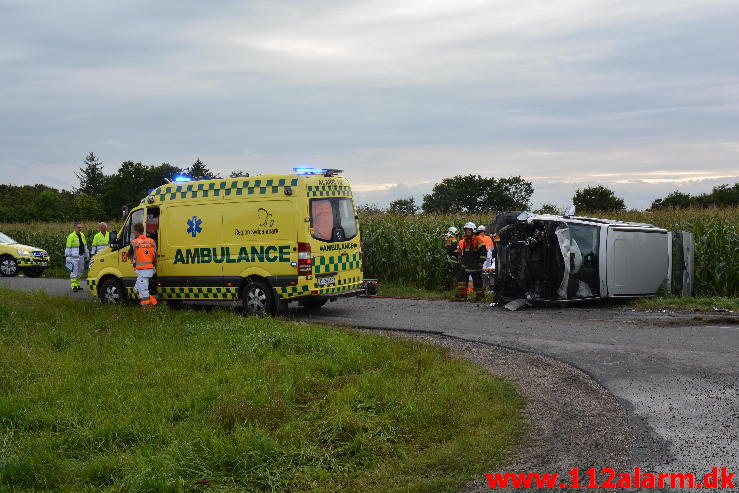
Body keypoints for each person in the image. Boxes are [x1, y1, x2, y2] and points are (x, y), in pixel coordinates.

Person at [127, 222, 158, 307]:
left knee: (143, 291)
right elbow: (156, 255)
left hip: (142, 270)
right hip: (151, 269)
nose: (133, 233)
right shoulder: (152, 241)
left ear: (136, 232)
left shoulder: (134, 242)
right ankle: (153, 300)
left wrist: (129, 255)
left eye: (133, 232)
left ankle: (147, 307)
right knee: (137, 288)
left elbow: (128, 254)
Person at [456, 222, 487, 300]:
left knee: (477, 282)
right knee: (462, 279)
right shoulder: (465, 240)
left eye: (469, 230)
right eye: (466, 230)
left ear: (473, 230)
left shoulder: (478, 239)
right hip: (465, 264)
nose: (468, 231)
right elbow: (464, 252)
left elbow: (483, 251)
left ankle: (480, 296)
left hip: (475, 264)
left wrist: (481, 261)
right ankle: (462, 294)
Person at [64, 221, 89, 292]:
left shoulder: (82, 235)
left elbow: (85, 246)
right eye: (78, 227)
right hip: (73, 257)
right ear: (74, 228)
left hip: (81, 256)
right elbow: (68, 248)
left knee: (80, 271)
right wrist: (68, 258)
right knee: (74, 272)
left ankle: (77, 285)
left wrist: (87, 255)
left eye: (81, 227)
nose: (80, 229)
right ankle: (73, 286)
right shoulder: (71, 236)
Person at [476, 225, 495, 289]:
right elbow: (492, 248)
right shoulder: (488, 238)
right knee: (488, 271)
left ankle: (484, 286)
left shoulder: (477, 238)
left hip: (483, 257)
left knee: (483, 271)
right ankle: (488, 285)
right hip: (489, 256)